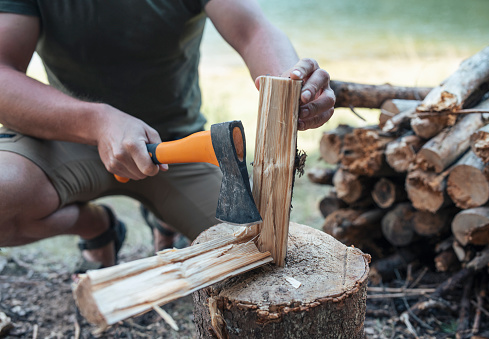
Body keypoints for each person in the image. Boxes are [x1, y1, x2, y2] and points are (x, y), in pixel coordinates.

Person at [0, 0, 335, 271]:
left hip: (177, 148)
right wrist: (97, 120)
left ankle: (167, 219)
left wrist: (291, 84)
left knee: (254, 254)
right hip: (66, 136)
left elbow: (252, 29)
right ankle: (96, 227)